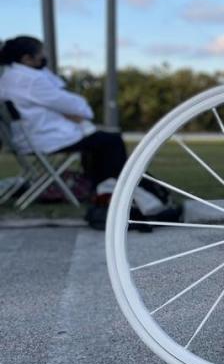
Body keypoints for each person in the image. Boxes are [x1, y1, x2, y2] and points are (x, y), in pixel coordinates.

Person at [0, 36, 175, 225]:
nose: (44, 57)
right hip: (44, 138)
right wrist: (76, 111)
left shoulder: (9, 77)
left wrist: (68, 112)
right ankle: (114, 190)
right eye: (40, 54)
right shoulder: (29, 79)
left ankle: (104, 188)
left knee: (98, 140)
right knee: (111, 140)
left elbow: (58, 100)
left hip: (31, 137)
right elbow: (72, 104)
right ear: (26, 59)